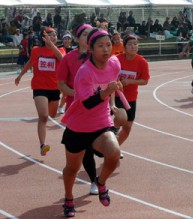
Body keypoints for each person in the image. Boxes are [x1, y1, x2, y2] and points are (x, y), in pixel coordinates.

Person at [61, 28, 122, 217]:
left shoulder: (114, 64)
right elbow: (87, 103)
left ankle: (100, 182)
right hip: (78, 126)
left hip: (101, 123)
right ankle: (69, 198)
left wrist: (114, 95)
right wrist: (106, 92)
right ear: (91, 49)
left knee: (114, 154)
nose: (106, 49)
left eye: (108, 45)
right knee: (72, 169)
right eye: (100, 46)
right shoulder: (84, 72)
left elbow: (111, 85)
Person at [57, 24, 105, 196]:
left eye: (91, 33)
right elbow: (61, 84)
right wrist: (77, 94)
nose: (88, 36)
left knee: (103, 146)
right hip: (77, 110)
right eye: (85, 34)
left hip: (99, 109)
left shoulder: (99, 56)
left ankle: (98, 175)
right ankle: (93, 180)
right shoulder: (69, 58)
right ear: (78, 38)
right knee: (86, 150)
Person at [15, 27, 65, 156]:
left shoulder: (60, 50)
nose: (53, 37)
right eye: (50, 35)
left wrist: (51, 45)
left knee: (52, 115)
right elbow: (30, 63)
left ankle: (43, 139)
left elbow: (62, 59)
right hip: (39, 87)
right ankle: (43, 145)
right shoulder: (37, 50)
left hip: (54, 88)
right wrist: (20, 75)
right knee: (43, 116)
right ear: (43, 37)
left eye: (54, 35)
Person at [115, 35, 150, 155]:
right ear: (124, 47)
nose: (133, 46)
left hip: (130, 99)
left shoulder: (142, 62)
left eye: (135, 44)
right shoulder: (116, 59)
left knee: (128, 127)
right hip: (115, 96)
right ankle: (110, 143)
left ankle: (115, 147)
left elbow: (145, 81)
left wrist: (130, 81)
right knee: (119, 120)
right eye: (130, 44)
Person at [58, 33, 74, 114]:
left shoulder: (73, 51)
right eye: (65, 39)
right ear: (62, 40)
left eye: (68, 39)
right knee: (58, 92)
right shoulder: (59, 49)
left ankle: (61, 106)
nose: (67, 41)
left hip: (69, 73)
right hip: (59, 72)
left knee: (65, 92)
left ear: (71, 40)